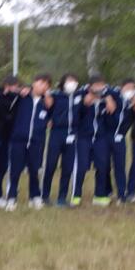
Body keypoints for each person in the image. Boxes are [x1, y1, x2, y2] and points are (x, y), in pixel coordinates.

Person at [6, 74, 54, 211]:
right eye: (40, 83)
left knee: (34, 170)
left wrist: (47, 97)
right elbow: (6, 93)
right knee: (15, 170)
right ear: (34, 83)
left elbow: (51, 114)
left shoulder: (46, 102)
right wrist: (22, 90)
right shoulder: (22, 97)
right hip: (18, 139)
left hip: (36, 140)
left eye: (46, 84)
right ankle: (11, 197)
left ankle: (35, 196)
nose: (43, 86)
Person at [73, 75, 116, 207]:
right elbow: (75, 115)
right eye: (97, 86)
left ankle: (100, 195)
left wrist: (110, 104)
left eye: (101, 86)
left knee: (102, 166)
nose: (99, 88)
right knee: (81, 167)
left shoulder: (107, 96)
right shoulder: (81, 95)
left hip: (100, 138)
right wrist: (84, 104)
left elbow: (111, 118)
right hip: (83, 137)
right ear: (90, 86)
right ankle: (76, 195)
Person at [95, 78, 135, 205]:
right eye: (128, 88)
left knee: (120, 166)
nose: (130, 90)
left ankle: (121, 194)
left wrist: (133, 105)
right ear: (122, 87)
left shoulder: (131, 102)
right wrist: (107, 98)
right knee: (104, 165)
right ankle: (104, 191)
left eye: (132, 88)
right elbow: (100, 89)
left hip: (119, 137)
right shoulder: (113, 93)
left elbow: (129, 120)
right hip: (105, 136)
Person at [42, 73, 81, 207]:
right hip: (57, 133)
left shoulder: (79, 96)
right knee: (51, 165)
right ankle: (44, 195)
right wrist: (48, 120)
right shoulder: (56, 95)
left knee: (67, 167)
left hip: (73, 134)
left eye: (74, 80)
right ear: (63, 82)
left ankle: (62, 197)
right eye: (69, 80)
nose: (72, 83)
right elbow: (46, 108)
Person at [0, 75, 20, 208]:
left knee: (3, 167)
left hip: (8, 137)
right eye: (15, 87)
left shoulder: (16, 97)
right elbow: (0, 112)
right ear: (7, 86)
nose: (17, 89)